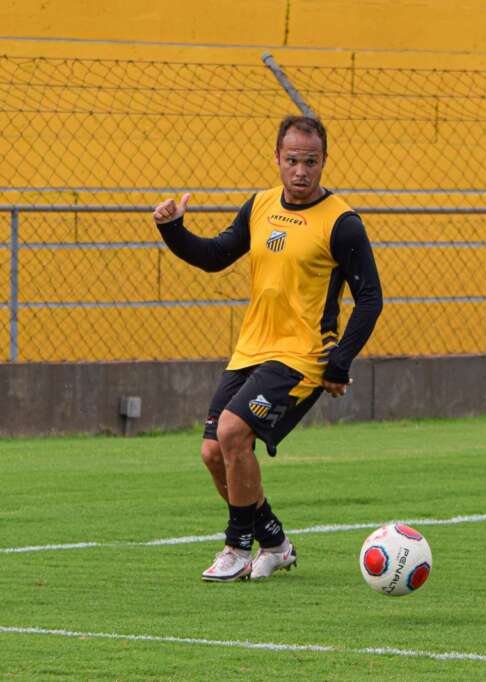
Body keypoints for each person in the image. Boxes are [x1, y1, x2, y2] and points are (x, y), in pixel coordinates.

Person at [153, 115, 383, 582]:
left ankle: (236, 548)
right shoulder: (258, 206)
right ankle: (275, 542)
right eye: (293, 160)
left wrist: (338, 362)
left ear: (325, 162)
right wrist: (174, 230)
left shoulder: (342, 223)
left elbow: (370, 298)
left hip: (302, 356)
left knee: (234, 433)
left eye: (311, 162)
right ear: (277, 158)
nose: (301, 171)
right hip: (251, 349)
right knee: (213, 452)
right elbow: (216, 256)